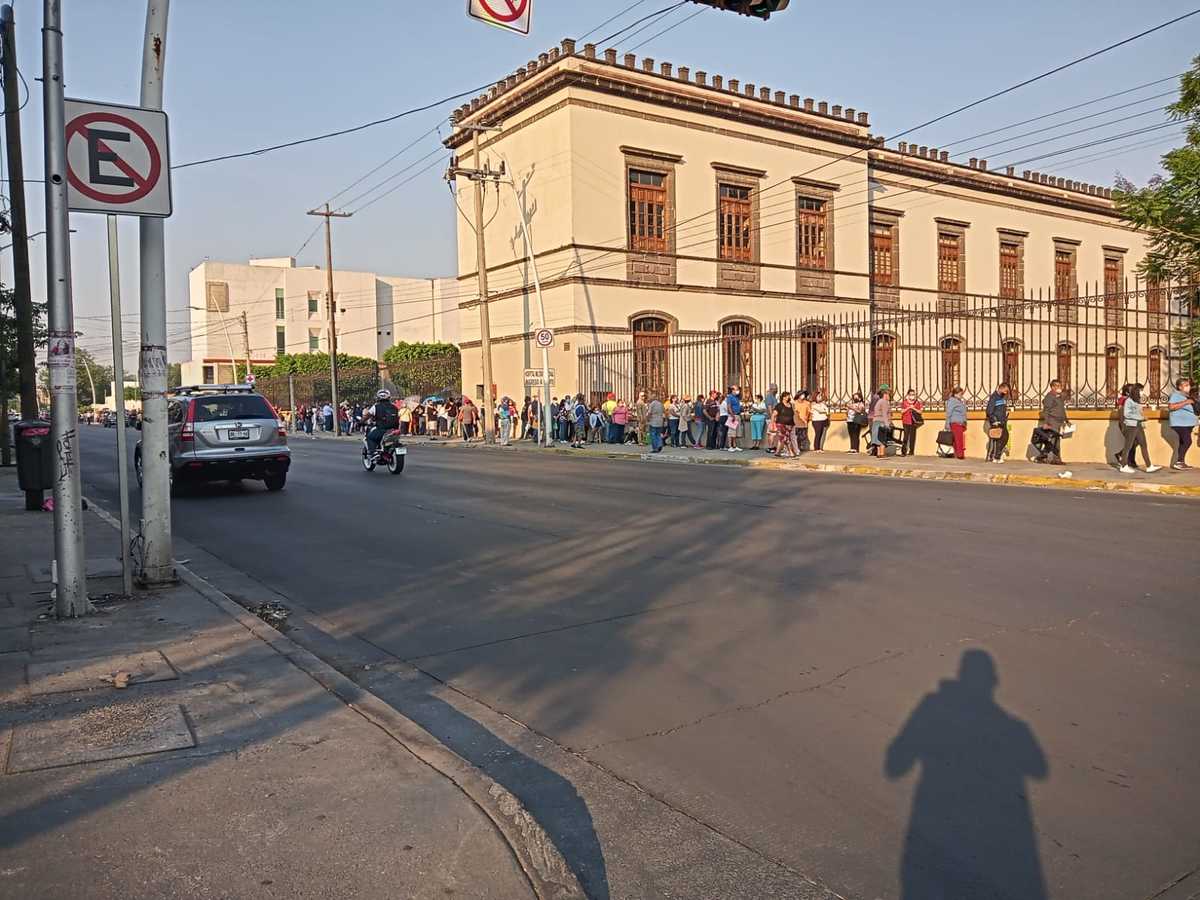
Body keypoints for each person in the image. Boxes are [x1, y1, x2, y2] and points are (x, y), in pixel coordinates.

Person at [1118, 384, 1162, 474]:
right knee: (1128, 446)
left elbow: (1139, 413)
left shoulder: (1137, 401)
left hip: (1138, 425)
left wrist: (1142, 421)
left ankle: (1149, 466)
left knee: (1143, 444)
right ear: (1136, 391)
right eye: (1141, 390)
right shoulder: (1129, 401)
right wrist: (1141, 418)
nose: (1142, 392)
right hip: (1131, 426)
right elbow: (1127, 414)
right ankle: (1123, 465)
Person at [1036, 380, 1069, 465]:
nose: (1059, 387)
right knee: (1055, 441)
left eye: (1060, 385)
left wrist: (1066, 420)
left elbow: (1062, 409)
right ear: (1052, 387)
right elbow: (1046, 411)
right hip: (1052, 421)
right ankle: (1056, 459)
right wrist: (1046, 423)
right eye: (1057, 386)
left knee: (1052, 441)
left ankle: (1042, 456)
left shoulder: (1059, 397)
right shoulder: (1049, 397)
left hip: (1059, 422)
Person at [1168, 377, 1197, 469]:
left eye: (1189, 385)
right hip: (1180, 424)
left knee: (1183, 442)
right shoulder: (1175, 395)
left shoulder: (1186, 396)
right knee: (1187, 441)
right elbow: (1171, 407)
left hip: (1187, 424)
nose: (1188, 387)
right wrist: (1186, 402)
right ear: (1180, 387)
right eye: (1186, 385)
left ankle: (1180, 462)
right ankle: (1179, 462)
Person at [363, 389, 399, 457]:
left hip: (381, 430)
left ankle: (373, 453)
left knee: (370, 437)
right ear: (389, 397)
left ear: (378, 397)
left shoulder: (375, 407)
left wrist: (361, 422)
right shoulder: (395, 407)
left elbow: (367, 416)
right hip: (394, 430)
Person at [985, 383, 1011, 463]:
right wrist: (994, 421)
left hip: (1002, 422)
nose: (1006, 393)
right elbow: (989, 411)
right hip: (996, 422)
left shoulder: (1002, 397)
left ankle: (995, 456)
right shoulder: (994, 397)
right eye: (1005, 391)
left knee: (1004, 438)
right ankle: (994, 457)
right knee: (998, 439)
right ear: (1001, 388)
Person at [771, 391, 797, 458]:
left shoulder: (791, 405)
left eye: (789, 396)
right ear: (783, 397)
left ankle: (777, 452)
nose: (788, 397)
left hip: (789, 425)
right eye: (787, 396)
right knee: (785, 438)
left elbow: (794, 413)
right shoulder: (779, 405)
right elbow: (773, 415)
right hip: (781, 424)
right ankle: (791, 452)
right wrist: (772, 424)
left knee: (782, 438)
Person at [945, 387, 968, 460]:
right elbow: (948, 413)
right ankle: (960, 454)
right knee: (958, 440)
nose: (961, 395)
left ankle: (957, 454)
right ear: (955, 394)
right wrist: (947, 424)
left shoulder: (958, 401)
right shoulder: (952, 401)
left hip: (960, 423)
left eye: (962, 394)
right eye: (960, 394)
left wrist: (964, 422)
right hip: (955, 423)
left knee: (956, 439)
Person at [899, 389, 923, 457]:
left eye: (913, 394)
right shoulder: (904, 402)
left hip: (913, 421)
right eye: (911, 394)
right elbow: (902, 411)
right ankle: (903, 451)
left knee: (912, 437)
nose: (912, 396)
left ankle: (911, 451)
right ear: (908, 395)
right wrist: (908, 408)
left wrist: (913, 408)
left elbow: (920, 412)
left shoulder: (917, 402)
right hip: (906, 421)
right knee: (905, 436)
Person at [870, 387, 893, 459]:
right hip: (881, 422)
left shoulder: (879, 401)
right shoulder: (884, 402)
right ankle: (882, 454)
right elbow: (884, 414)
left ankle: (879, 453)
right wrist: (887, 424)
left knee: (877, 438)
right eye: (889, 395)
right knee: (882, 438)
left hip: (876, 422)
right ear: (885, 395)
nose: (889, 396)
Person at [724, 385, 743, 452]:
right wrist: (732, 415)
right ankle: (730, 446)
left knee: (736, 432)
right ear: (732, 390)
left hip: (737, 415)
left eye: (738, 389)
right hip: (733, 416)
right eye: (736, 389)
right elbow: (729, 407)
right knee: (731, 432)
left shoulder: (736, 397)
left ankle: (734, 446)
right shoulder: (730, 397)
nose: (738, 391)